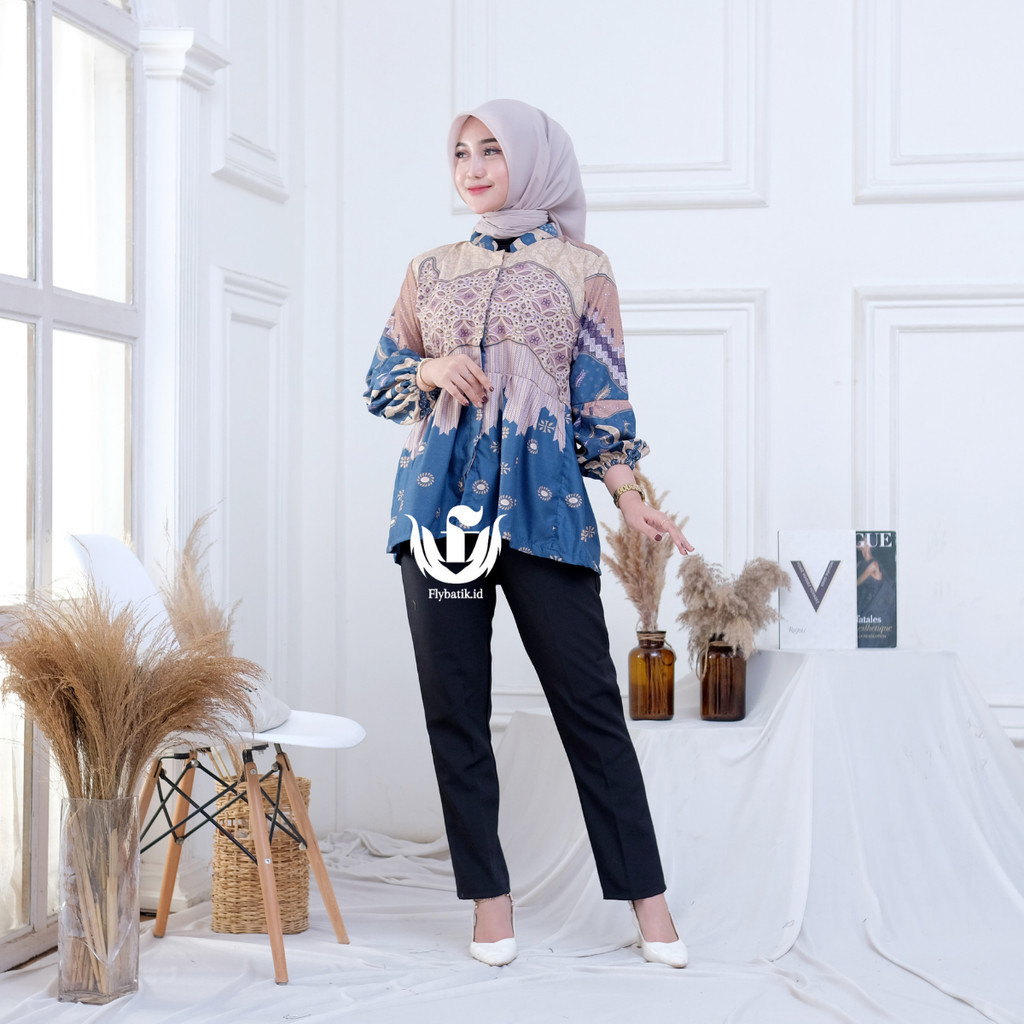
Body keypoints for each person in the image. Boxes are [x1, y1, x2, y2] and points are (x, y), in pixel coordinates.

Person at [364, 98, 693, 968]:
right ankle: (490, 901)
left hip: (545, 514)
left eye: (492, 150)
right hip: (437, 513)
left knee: (590, 708)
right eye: (460, 153)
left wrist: (628, 494)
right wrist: (431, 366)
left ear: (535, 161)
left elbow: (603, 399)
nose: (473, 168)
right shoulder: (429, 270)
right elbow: (381, 381)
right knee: (455, 710)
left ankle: (650, 903)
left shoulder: (583, 269)